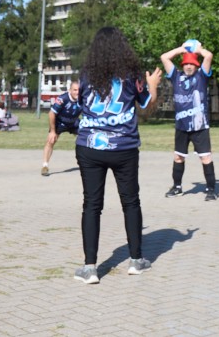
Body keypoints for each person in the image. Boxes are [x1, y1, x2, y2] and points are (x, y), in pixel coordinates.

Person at [73, 27, 162, 284]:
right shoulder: (132, 75)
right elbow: (147, 106)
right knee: (131, 202)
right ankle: (136, 261)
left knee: (91, 204)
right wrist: (153, 86)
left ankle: (90, 268)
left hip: (89, 146)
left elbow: (83, 107)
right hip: (124, 147)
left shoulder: (87, 75)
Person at [160, 41, 218, 201]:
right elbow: (164, 57)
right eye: (186, 64)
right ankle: (177, 187)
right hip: (181, 126)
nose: (189, 67)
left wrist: (198, 50)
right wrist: (181, 49)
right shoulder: (176, 76)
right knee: (178, 157)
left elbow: (209, 55)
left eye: (192, 64)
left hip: (200, 126)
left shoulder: (201, 76)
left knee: (205, 157)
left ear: (196, 65)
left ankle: (211, 189)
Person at [42, 80, 81, 176]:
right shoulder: (63, 99)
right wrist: (52, 131)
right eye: (75, 90)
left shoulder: (84, 99)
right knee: (50, 141)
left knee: (87, 138)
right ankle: (45, 166)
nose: (77, 92)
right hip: (60, 123)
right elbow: (51, 114)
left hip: (74, 122)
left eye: (79, 90)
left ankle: (87, 162)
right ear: (70, 90)